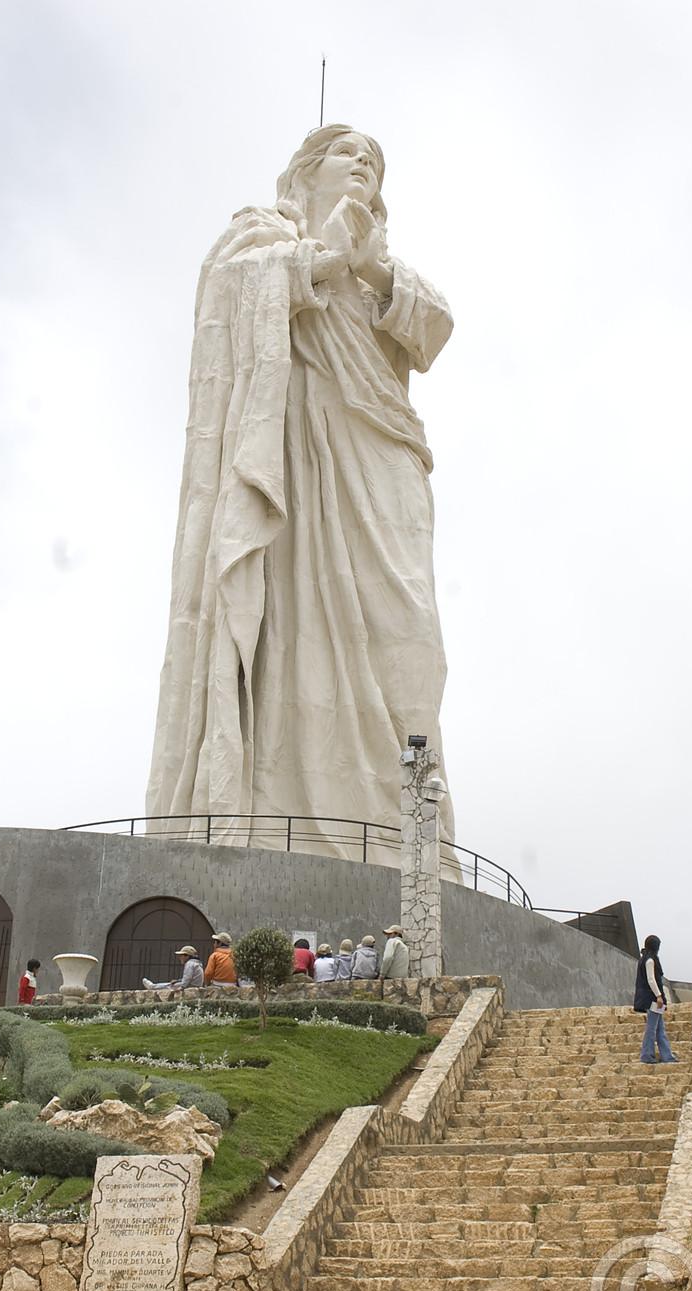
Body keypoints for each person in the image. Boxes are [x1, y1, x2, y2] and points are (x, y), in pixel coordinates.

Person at [146, 125, 458, 848]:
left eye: (376, 166)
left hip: (380, 447)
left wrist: (372, 270)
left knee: (412, 636)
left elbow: (436, 326)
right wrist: (320, 263)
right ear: (309, 170)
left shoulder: (382, 266)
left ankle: (412, 836)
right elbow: (227, 295)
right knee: (295, 629)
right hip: (290, 451)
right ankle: (286, 817)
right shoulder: (259, 235)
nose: (367, 170)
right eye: (353, 156)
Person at [633, 934, 677, 1065]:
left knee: (659, 1028)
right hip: (652, 998)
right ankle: (647, 1055)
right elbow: (651, 979)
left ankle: (667, 1055)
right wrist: (658, 996)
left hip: (651, 997)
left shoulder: (644, 958)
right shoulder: (650, 960)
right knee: (652, 1028)